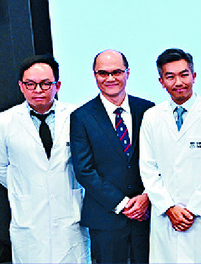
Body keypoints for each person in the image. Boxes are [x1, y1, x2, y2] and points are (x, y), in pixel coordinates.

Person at [138, 48, 201, 263]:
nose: (178, 82)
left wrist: (193, 210)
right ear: (161, 81)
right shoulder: (151, 117)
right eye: (170, 76)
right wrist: (169, 208)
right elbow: (148, 169)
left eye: (184, 74)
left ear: (194, 76)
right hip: (167, 218)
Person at [0, 55, 90, 263]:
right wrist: (26, 188)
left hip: (70, 217)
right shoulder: (3, 122)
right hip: (29, 221)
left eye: (45, 84)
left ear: (57, 85)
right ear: (21, 86)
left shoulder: (77, 116)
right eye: (30, 84)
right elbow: (1, 167)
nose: (38, 90)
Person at [70, 50, 154, 263]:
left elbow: (160, 160)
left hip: (147, 215)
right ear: (94, 75)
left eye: (116, 72)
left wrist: (146, 196)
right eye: (102, 73)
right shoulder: (81, 116)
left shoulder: (148, 110)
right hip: (105, 218)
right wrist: (122, 203)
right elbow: (84, 170)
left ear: (128, 73)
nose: (110, 78)